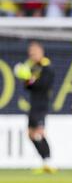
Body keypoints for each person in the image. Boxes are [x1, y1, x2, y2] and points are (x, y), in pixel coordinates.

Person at [14, 41, 56, 174]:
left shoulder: (47, 66)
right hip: (33, 104)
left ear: (41, 52)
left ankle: (49, 162)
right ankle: (44, 162)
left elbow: (43, 85)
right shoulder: (33, 67)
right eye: (30, 53)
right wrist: (26, 78)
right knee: (30, 134)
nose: (32, 55)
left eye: (34, 52)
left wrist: (30, 78)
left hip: (41, 104)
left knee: (40, 132)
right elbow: (28, 87)